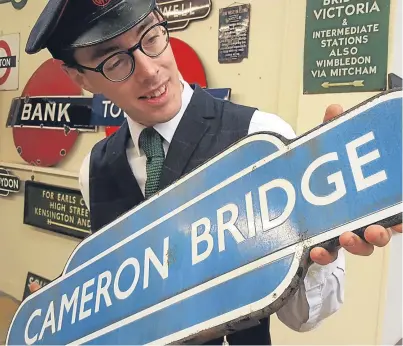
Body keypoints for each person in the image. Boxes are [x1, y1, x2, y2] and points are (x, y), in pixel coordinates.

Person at [25, 0, 402, 344]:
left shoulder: (261, 137)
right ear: (80, 78)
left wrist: (321, 243)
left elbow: (304, 318)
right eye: (114, 61)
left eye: (151, 37)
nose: (150, 69)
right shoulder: (93, 169)